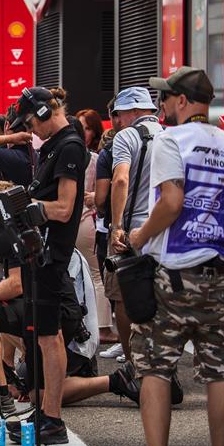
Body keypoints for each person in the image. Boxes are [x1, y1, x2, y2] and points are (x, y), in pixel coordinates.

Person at [129, 67, 224, 446]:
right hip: (222, 278)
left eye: (165, 98)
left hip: (174, 274)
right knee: (221, 372)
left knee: (156, 368)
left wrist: (140, 235)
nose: (162, 106)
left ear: (182, 101)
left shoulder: (171, 141)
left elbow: (171, 202)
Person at [0, 182, 139, 416]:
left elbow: (15, 285)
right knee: (31, 392)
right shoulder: (6, 240)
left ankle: (115, 380)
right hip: (45, 320)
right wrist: (7, 369)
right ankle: (3, 387)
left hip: (72, 331)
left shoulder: (22, 235)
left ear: (0, 210)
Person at [4, 86, 87, 444]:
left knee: (50, 338)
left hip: (53, 255)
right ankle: (44, 411)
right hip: (37, 252)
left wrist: (28, 207)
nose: (30, 130)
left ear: (41, 113)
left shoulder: (69, 145)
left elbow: (65, 207)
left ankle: (53, 418)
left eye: (29, 122)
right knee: (39, 335)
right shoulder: (52, 144)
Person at [108, 87, 163, 368]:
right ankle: (163, 362)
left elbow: (120, 180)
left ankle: (134, 364)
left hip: (135, 231)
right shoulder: (171, 136)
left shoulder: (127, 136)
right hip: (166, 228)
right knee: (162, 296)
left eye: (118, 114)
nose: (118, 120)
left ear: (131, 111)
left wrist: (117, 225)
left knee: (127, 297)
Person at [72, 109, 111, 347]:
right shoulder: (94, 159)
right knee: (96, 275)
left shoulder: (87, 157)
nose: (83, 132)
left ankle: (93, 324)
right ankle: (102, 327)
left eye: (87, 128)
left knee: (88, 274)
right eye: (81, 127)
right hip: (86, 220)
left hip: (83, 221)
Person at [94, 102, 122, 346]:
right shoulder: (163, 142)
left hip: (116, 229)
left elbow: (103, 196)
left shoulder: (109, 153)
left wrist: (114, 222)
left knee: (119, 291)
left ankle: (129, 352)